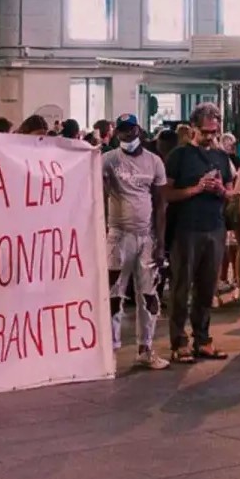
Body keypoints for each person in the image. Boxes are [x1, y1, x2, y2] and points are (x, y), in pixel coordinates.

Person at [164, 103, 232, 363]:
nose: (210, 137)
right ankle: (178, 340)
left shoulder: (221, 158)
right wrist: (196, 188)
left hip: (214, 228)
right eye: (205, 132)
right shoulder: (179, 156)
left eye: (214, 132)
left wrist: (219, 191)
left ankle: (202, 339)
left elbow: (230, 193)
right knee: (182, 287)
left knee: (206, 288)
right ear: (193, 128)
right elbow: (166, 194)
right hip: (186, 230)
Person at [103, 114, 169, 369]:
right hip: (118, 237)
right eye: (121, 132)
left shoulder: (154, 162)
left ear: (138, 130)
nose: (125, 136)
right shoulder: (108, 160)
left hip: (147, 238)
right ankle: (111, 350)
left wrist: (160, 242)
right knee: (114, 295)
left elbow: (160, 203)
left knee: (149, 295)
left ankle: (146, 347)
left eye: (129, 131)